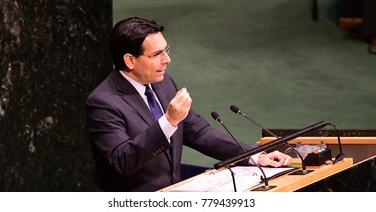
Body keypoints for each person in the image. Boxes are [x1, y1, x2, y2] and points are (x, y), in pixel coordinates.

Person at [85, 17, 292, 192]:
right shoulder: (103, 102)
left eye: (166, 50)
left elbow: (199, 133)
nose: (167, 60)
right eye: (157, 54)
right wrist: (168, 122)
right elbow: (123, 160)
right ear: (130, 60)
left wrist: (253, 156)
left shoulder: (163, 82)